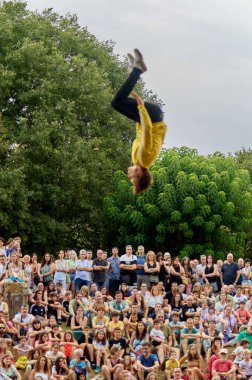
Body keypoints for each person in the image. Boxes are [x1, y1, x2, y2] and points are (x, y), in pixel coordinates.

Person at [111, 48, 167, 194]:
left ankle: (134, 71)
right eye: (133, 179)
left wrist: (137, 118)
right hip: (153, 117)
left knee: (117, 103)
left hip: (151, 118)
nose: (129, 177)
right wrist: (141, 108)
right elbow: (148, 131)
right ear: (139, 174)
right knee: (117, 102)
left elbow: (141, 133)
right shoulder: (143, 158)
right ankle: (137, 70)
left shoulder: (138, 160)